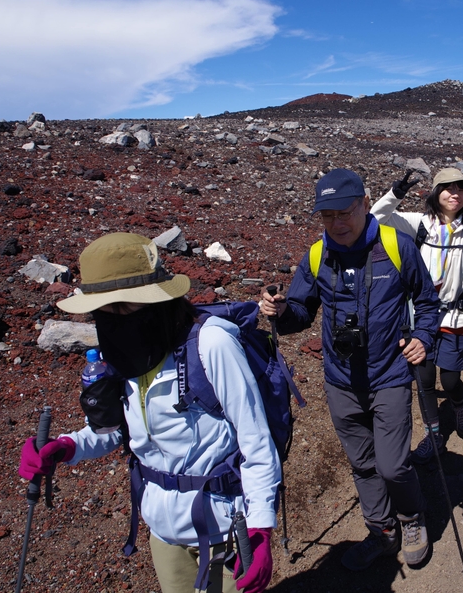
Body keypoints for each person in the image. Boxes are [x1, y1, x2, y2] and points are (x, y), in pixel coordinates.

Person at [18, 233, 281, 593]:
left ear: (156, 299)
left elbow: (256, 441)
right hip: (163, 529)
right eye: (103, 309)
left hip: (228, 526)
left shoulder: (212, 343)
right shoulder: (122, 351)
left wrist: (260, 528)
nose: (112, 317)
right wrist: (66, 447)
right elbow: (119, 429)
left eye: (123, 305)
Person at [258, 168, 440, 571]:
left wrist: (423, 338)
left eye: (345, 212)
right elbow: (301, 312)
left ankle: (412, 517)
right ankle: (382, 530)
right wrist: (281, 311)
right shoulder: (317, 255)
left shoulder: (396, 246)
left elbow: (428, 301)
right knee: (362, 463)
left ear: (364, 204)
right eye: (328, 216)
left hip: (390, 375)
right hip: (341, 381)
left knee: (393, 465)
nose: (337, 223)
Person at [370, 167, 463, 463]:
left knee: (450, 379)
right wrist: (395, 194)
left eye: (461, 188)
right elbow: (375, 219)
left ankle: (459, 404)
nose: (455, 194)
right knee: (424, 379)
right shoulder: (418, 224)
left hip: (455, 316)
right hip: (419, 317)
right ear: (435, 192)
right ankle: (434, 436)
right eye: (448, 188)